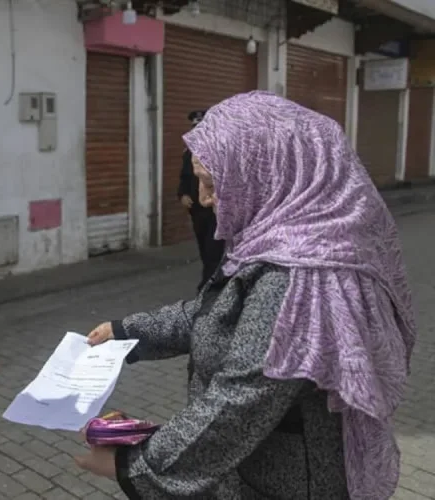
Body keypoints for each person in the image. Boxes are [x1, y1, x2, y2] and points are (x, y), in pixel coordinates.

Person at [75, 91, 416, 499]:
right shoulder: (277, 240)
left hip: (285, 484)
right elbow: (213, 313)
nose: (203, 200)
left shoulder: (298, 278)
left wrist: (135, 467)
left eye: (212, 184)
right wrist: (125, 332)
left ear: (265, 174)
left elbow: (240, 402)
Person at [178, 109, 225, 291]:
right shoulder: (188, 152)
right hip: (197, 210)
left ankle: (208, 286)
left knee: (214, 248)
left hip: (215, 207)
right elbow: (184, 177)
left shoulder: (219, 150)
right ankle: (211, 278)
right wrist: (183, 194)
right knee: (204, 249)